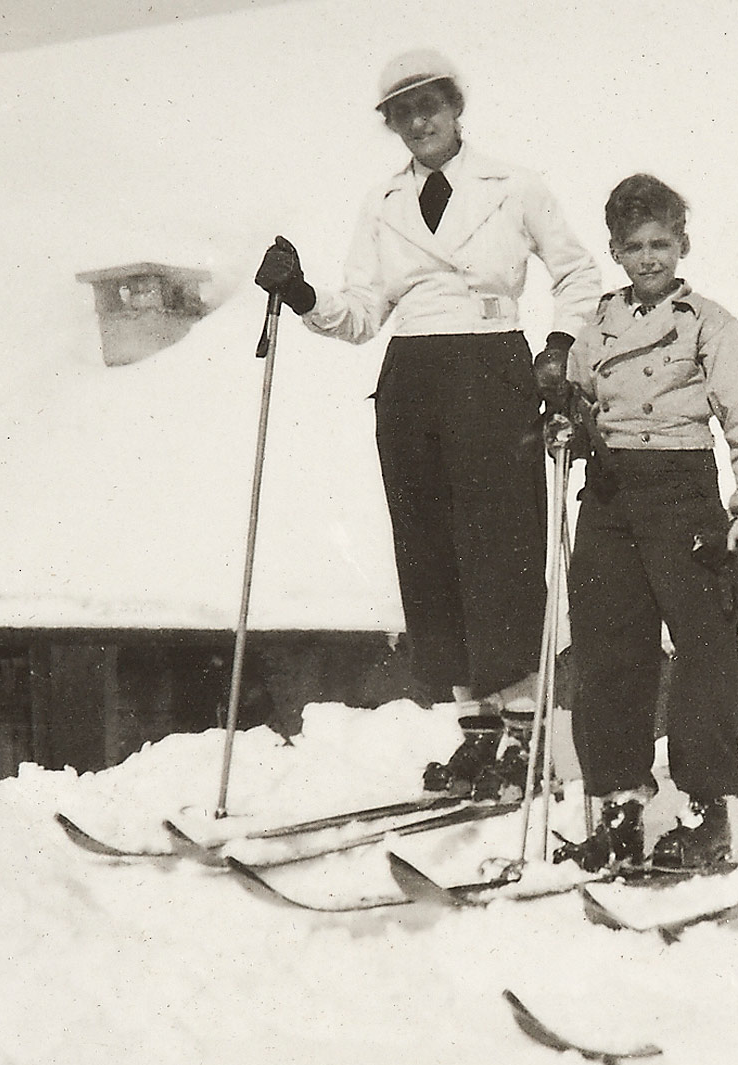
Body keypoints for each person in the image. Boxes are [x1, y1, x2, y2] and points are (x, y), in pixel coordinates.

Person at [252, 48, 601, 796]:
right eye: (403, 113)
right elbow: (362, 312)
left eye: (430, 105)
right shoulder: (379, 203)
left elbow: (577, 272)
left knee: (501, 555)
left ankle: (524, 736)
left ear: (455, 106)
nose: (419, 122)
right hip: (411, 378)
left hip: (492, 367)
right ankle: (477, 734)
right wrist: (303, 293)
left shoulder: (516, 186)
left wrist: (561, 345)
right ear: (392, 125)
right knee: (432, 557)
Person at [549, 174, 738, 872]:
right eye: (634, 247)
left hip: (683, 492)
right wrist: (563, 420)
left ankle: (707, 820)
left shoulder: (710, 323)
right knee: (610, 655)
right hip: (612, 497)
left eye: (661, 244)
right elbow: (579, 398)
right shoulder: (598, 325)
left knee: (704, 655)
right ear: (615, 251)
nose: (649, 259)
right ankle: (618, 810)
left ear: (682, 244)